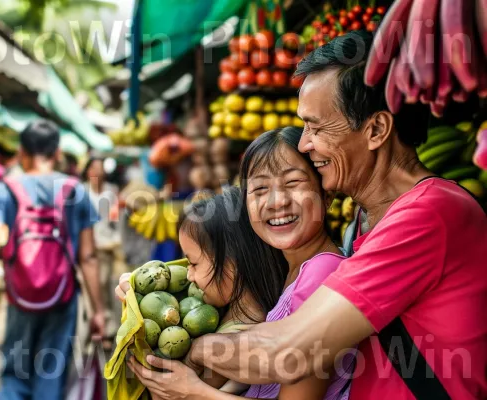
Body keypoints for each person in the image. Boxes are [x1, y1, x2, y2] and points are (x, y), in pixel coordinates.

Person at [132, 31, 487, 400]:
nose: (304, 144)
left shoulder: (428, 215)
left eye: (316, 127)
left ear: (376, 129)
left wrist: (189, 349)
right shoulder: (363, 226)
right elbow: (286, 333)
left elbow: (291, 352)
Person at [124, 128, 355, 399]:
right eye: (260, 189)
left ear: (326, 196)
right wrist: (134, 290)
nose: (277, 201)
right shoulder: (285, 269)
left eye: (293, 183)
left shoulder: (321, 273)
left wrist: (193, 392)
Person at [0, 120, 106, 400]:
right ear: (57, 152)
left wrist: (20, 256)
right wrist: (98, 310)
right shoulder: (76, 190)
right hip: (63, 295)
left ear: (22, 152)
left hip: (20, 295)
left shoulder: (5, 189)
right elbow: (88, 256)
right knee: (52, 371)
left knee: (15, 373)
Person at [83, 157, 123, 348]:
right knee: (89, 288)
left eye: (101, 169)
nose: (98, 173)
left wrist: (116, 242)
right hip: (85, 248)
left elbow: (115, 220)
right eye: (94, 169)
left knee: (104, 285)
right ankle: (94, 328)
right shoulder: (81, 192)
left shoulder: (111, 192)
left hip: (105, 246)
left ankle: (107, 329)